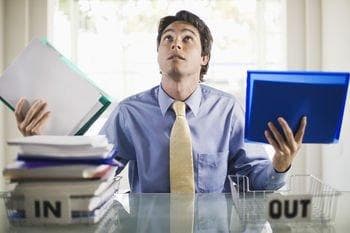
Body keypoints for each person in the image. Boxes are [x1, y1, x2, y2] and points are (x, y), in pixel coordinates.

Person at [15, 10, 306, 193]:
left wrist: (280, 165)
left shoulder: (228, 110)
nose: (175, 43)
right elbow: (93, 179)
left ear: (204, 58)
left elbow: (257, 182)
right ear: (158, 54)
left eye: (187, 38)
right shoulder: (129, 113)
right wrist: (40, 144)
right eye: (167, 38)